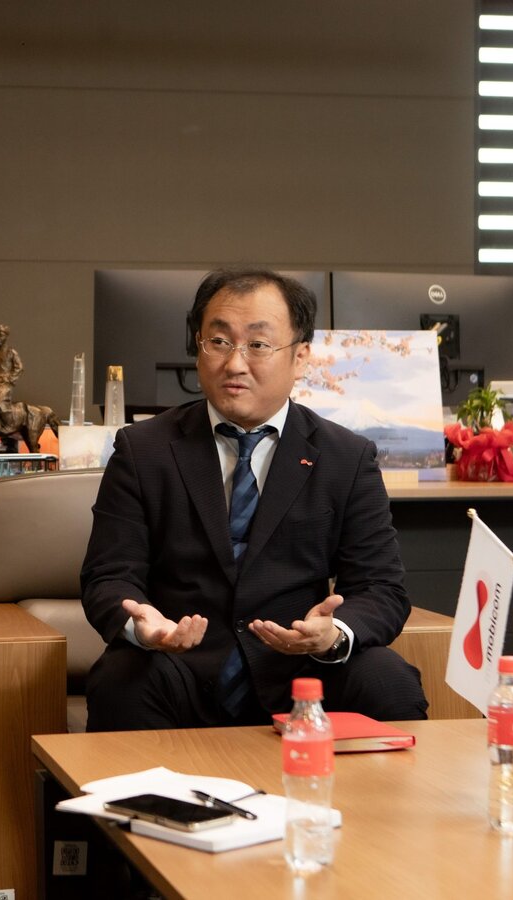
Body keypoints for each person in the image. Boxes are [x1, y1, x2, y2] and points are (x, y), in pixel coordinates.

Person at [80, 268, 428, 731]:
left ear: (300, 357)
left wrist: (332, 635)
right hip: (182, 668)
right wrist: (143, 627)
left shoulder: (346, 457)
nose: (235, 363)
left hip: (301, 672)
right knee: (121, 679)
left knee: (388, 681)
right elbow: (109, 575)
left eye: (258, 345)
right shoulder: (143, 450)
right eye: (218, 342)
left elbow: (381, 588)